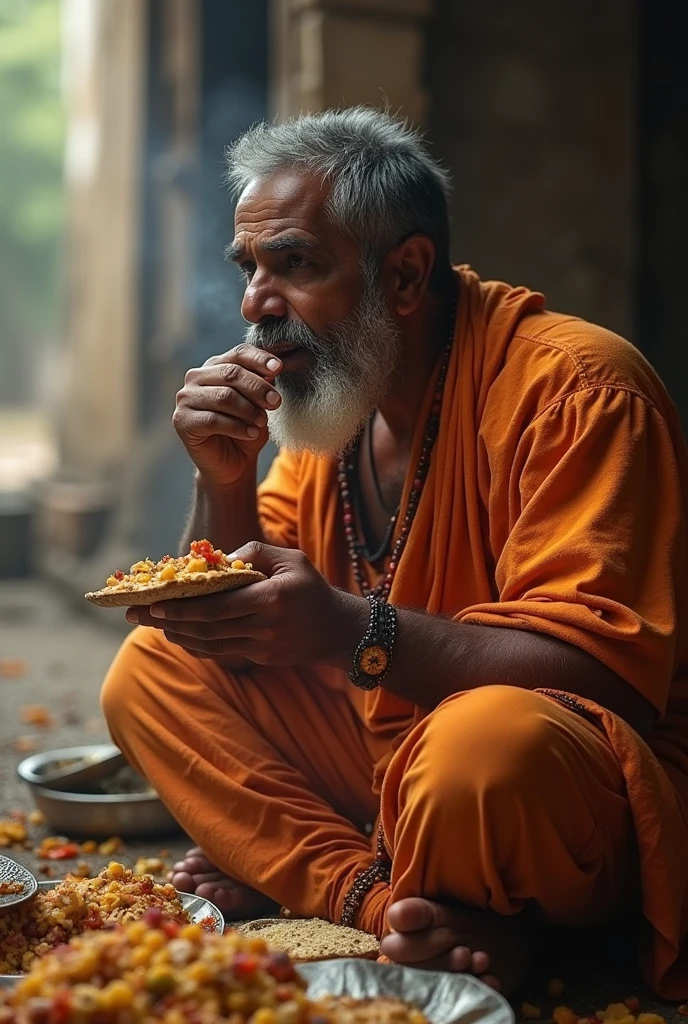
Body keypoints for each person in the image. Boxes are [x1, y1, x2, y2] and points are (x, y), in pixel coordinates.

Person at [101, 107, 688, 998]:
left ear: (406, 275)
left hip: (546, 791)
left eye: (295, 264)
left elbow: (609, 681)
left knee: (485, 746)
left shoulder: (580, 390)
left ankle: (465, 912)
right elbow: (219, 634)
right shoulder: (335, 409)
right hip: (394, 782)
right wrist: (222, 477)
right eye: (249, 268)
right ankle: (392, 908)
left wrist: (350, 629)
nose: (259, 301)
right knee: (149, 674)